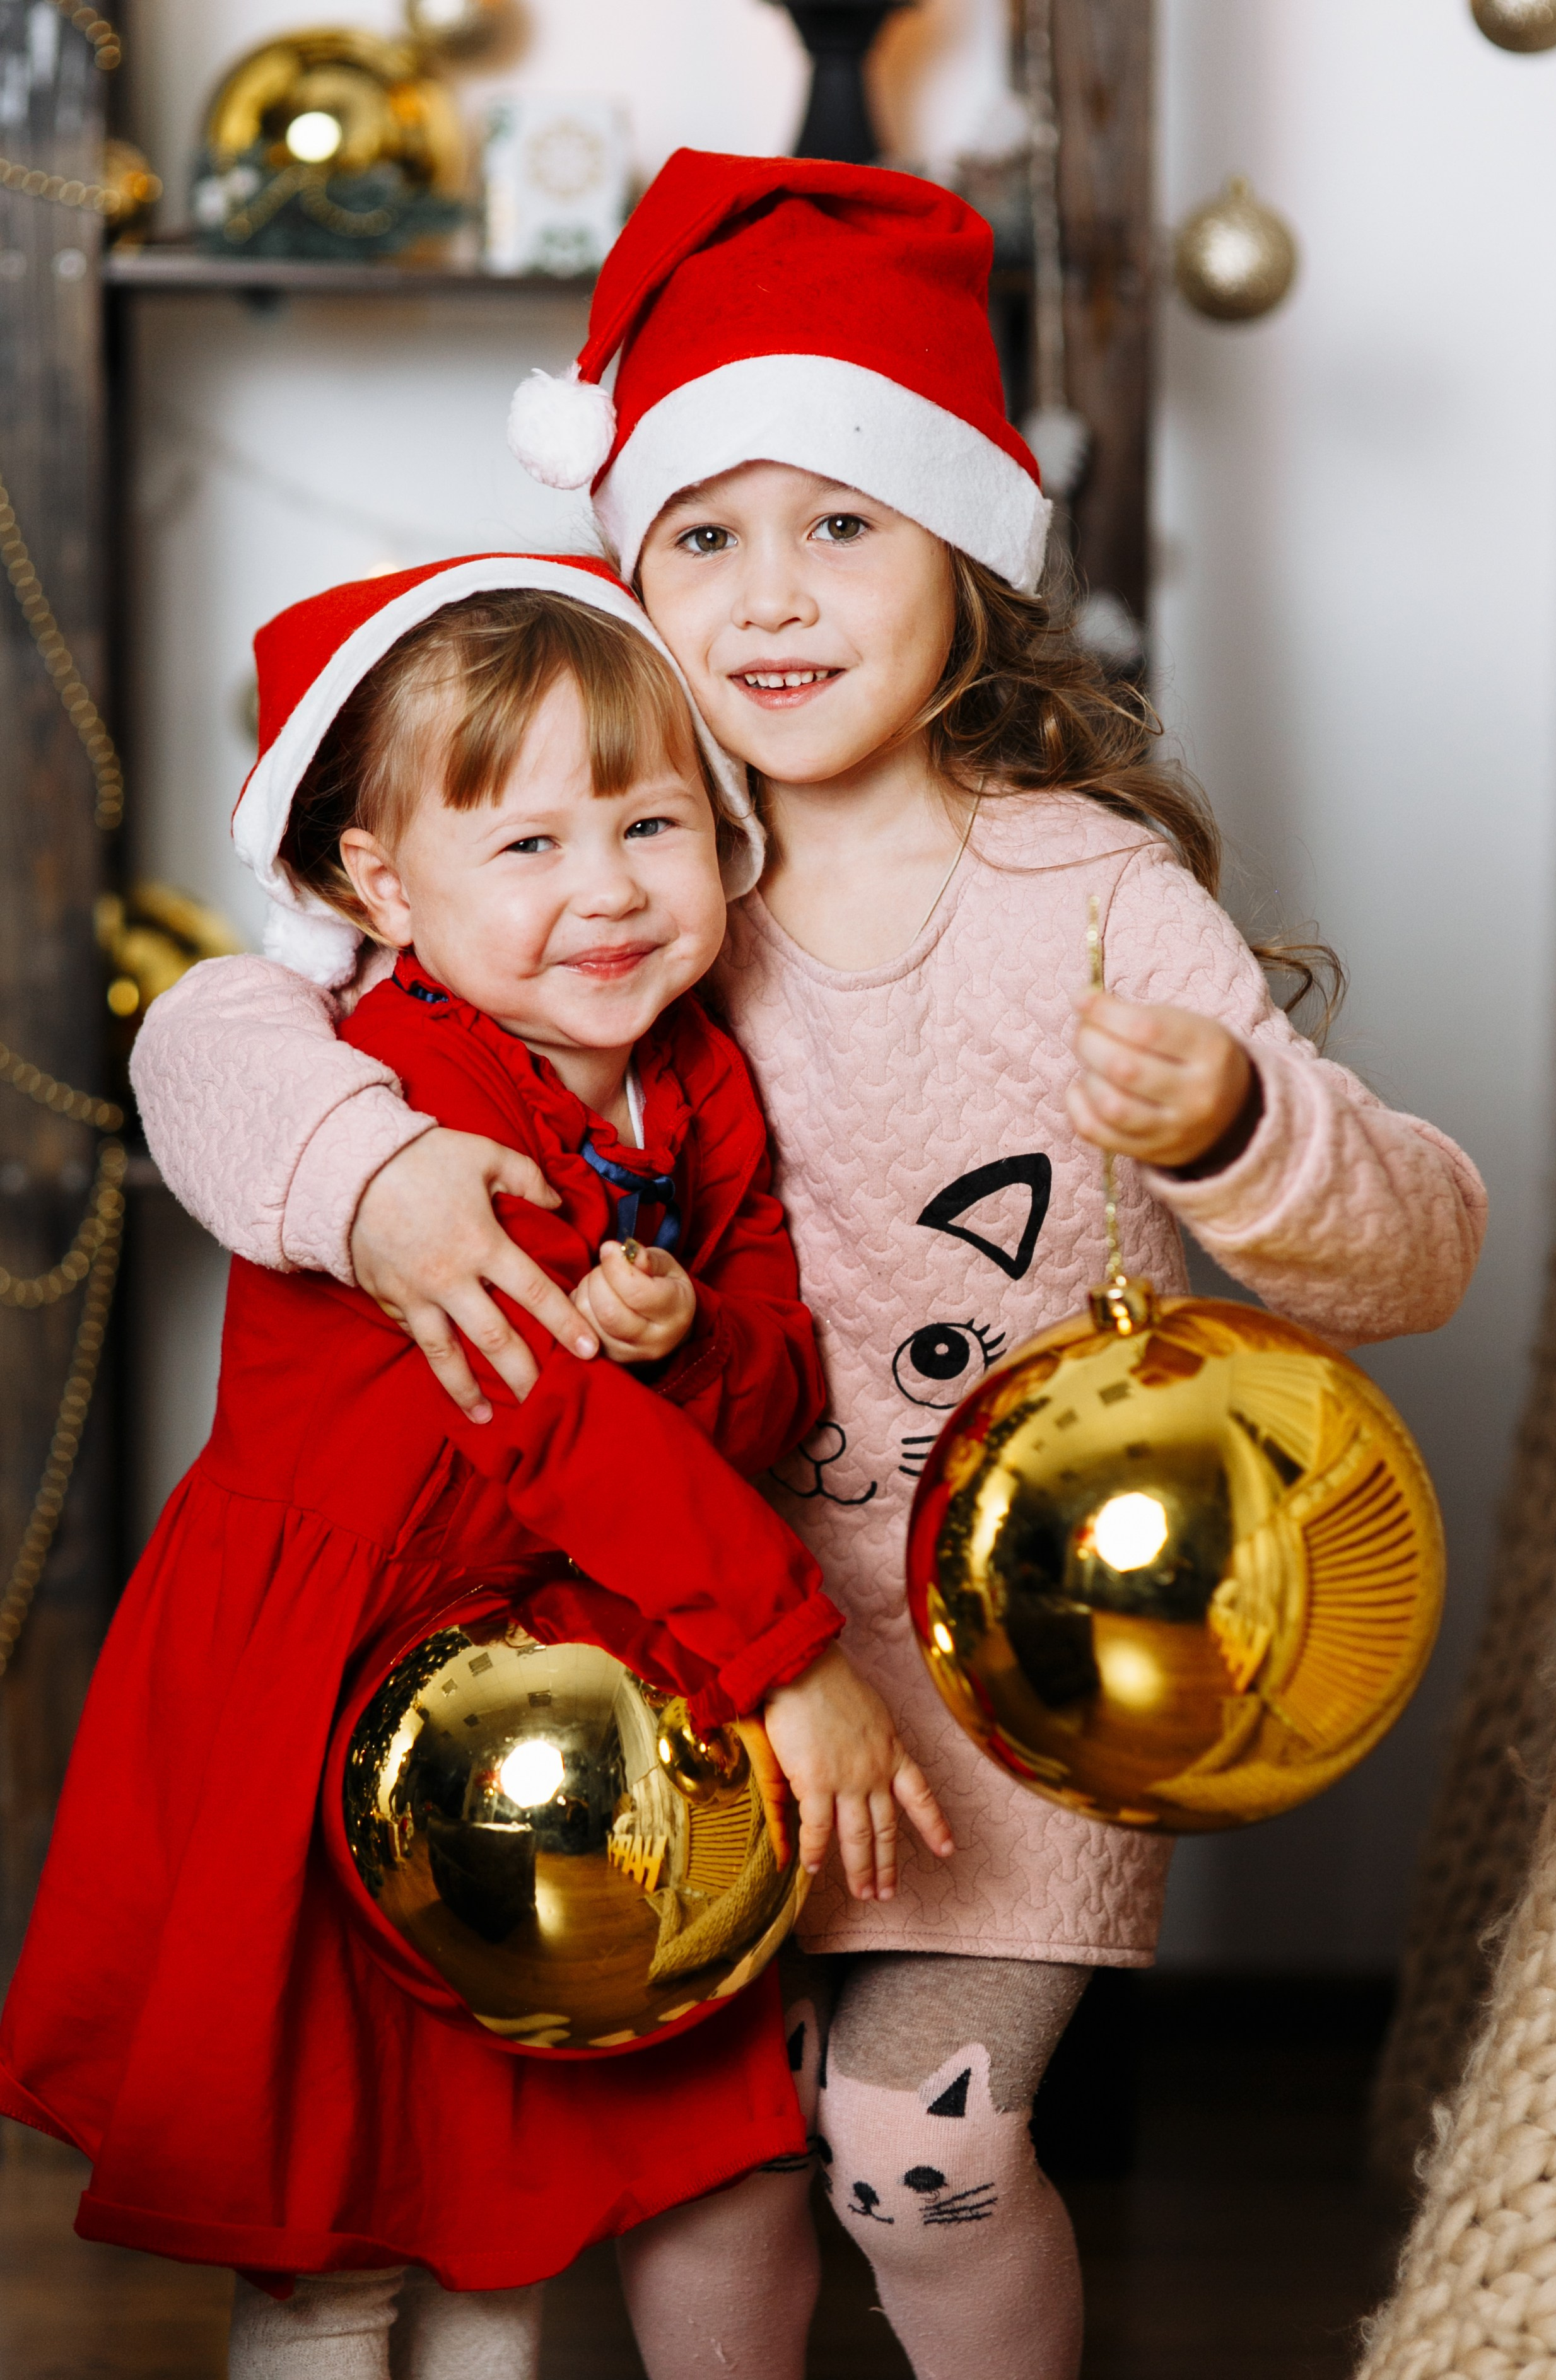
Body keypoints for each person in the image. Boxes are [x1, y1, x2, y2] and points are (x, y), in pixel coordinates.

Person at [131, 157, 1488, 2380]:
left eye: (841, 520)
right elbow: (225, 1013)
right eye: (704, 535)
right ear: (627, 568)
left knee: (913, 2150)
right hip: (681, 1651)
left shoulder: (1090, 896)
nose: (771, 597)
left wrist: (1240, 1131)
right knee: (709, 2167)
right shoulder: (634, 868)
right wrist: (370, 1180)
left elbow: (1421, 1239)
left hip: (1003, 1692)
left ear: (964, 546)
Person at [0, 550, 951, 2380]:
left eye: (652, 823)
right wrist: (792, 1658)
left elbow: (771, 1367)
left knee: (494, 2190)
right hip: (333, 1667)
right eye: (524, 847)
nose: (605, 893)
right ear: (378, 885)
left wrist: (701, 1339)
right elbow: (547, 1425)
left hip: (544, 1676)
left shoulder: (693, 1083)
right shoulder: (408, 1101)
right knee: (336, 2206)